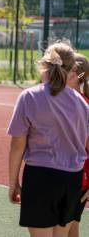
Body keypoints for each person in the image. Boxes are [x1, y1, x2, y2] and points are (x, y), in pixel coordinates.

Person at [8, 42, 89, 237]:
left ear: (43, 65)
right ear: (71, 69)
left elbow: (17, 146)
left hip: (40, 177)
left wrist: (13, 182)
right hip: (72, 179)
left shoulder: (29, 96)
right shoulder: (81, 102)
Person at [66, 53, 89, 237]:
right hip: (60, 175)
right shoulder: (58, 101)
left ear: (76, 74)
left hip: (78, 179)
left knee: (68, 227)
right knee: (70, 228)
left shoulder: (83, 105)